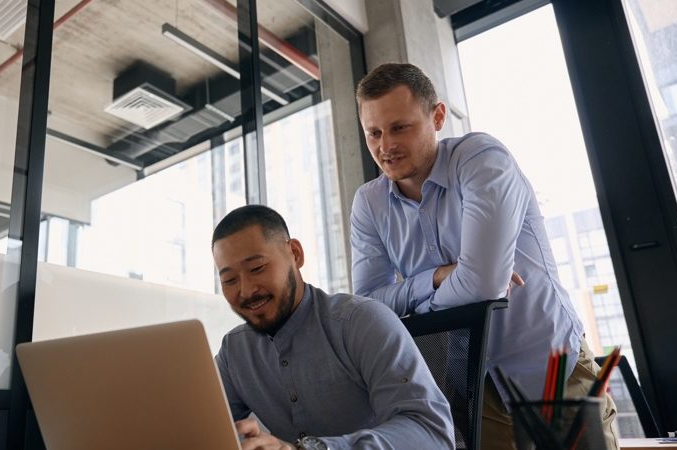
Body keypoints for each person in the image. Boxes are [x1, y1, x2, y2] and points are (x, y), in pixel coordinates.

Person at [349, 62, 618, 449]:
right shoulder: (369, 204)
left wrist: (415, 310)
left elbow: (481, 286)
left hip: (551, 372)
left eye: (399, 128)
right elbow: (369, 306)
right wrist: (440, 277)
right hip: (470, 387)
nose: (385, 146)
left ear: (437, 116)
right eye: (373, 132)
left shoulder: (481, 159)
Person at [212, 204, 454, 450]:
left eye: (257, 268)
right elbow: (199, 427)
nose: (246, 291)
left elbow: (431, 433)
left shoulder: (361, 322)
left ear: (295, 254)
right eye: (229, 280)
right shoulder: (234, 353)